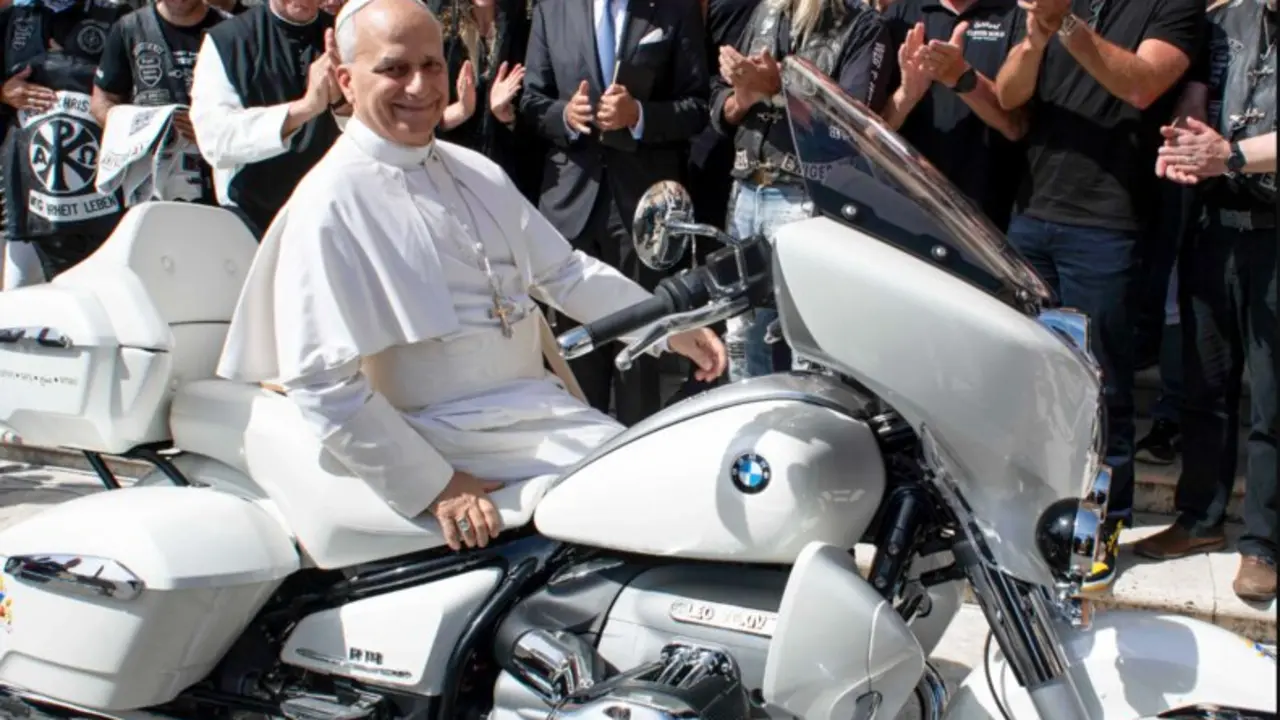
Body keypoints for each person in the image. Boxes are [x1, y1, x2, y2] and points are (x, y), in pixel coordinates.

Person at [215, 0, 727, 551]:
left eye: (432, 65)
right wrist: (436, 486)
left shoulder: (475, 170)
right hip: (442, 434)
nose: (420, 86)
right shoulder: (330, 200)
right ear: (345, 78)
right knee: (655, 495)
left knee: (684, 472)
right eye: (393, 69)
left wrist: (666, 326)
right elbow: (321, 384)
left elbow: (565, 272)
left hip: (532, 412)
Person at [991, 0, 1203, 592]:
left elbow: (1140, 85)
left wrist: (1067, 28)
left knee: (1101, 385)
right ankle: (1034, 516)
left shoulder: (1171, 9)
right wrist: (1035, 38)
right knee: (1031, 379)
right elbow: (1010, 97)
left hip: (1108, 223)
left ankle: (1100, 526)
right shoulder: (1061, 7)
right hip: (1032, 216)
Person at [1135, 0, 1276, 603]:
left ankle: (1264, 545)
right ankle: (1199, 519)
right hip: (1215, 225)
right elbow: (1198, 91)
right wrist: (1188, 137)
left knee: (1273, 401)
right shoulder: (1226, 21)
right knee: (1205, 385)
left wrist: (1233, 156)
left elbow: (1233, 151)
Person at [520, 0, 710, 425]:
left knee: (642, 352)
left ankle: (635, 456)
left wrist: (638, 116)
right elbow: (531, 101)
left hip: (642, 209)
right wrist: (565, 116)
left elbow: (698, 106)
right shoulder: (553, 10)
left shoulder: (673, 10)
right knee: (575, 357)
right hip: (571, 208)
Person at [709, 0, 893, 379]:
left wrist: (779, 90)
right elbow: (716, 99)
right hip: (746, 190)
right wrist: (740, 97)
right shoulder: (765, 12)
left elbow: (851, 128)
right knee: (743, 344)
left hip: (805, 199)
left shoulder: (862, 25)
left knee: (809, 353)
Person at [187, 0, 345, 238]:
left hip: (330, 207)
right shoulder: (229, 40)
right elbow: (215, 140)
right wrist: (304, 109)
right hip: (251, 213)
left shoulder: (343, 38)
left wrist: (342, 103)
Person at [0, 0, 131, 284]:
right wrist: (3, 91)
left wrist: (75, 73)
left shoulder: (117, 17)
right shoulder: (12, 20)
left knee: (102, 293)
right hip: (29, 198)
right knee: (20, 298)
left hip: (101, 196)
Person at [880, 0, 1026, 232]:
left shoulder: (1015, 14)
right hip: (906, 207)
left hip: (985, 220)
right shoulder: (901, 13)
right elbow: (870, 131)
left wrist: (961, 78)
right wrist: (907, 95)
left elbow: (1016, 126)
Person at [91, 0, 229, 205]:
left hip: (218, 176)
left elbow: (257, 105)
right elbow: (103, 101)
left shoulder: (233, 30)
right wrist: (139, 132)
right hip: (150, 179)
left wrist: (212, 130)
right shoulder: (129, 27)